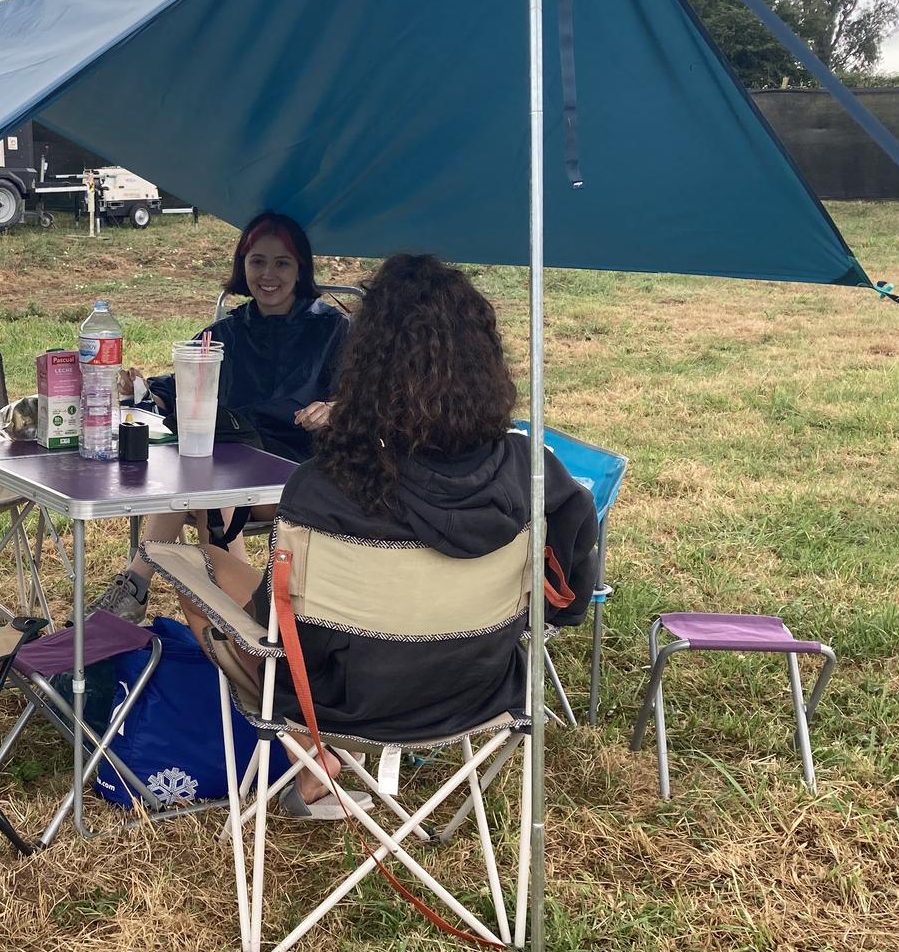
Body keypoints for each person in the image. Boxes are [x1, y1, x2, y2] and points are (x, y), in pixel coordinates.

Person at [173, 252, 600, 817]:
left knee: (195, 564)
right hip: (481, 690)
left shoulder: (325, 487)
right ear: (484, 364)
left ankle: (310, 759)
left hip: (340, 706)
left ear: (365, 366)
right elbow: (566, 604)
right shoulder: (533, 469)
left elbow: (282, 631)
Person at [94, 211, 350, 621]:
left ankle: (151, 592)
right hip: (227, 467)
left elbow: (371, 402)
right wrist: (145, 392)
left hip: (299, 474)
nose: (268, 274)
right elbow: (180, 385)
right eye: (257, 261)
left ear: (301, 269)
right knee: (201, 477)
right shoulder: (228, 332)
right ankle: (231, 611)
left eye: (282, 262)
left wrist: (336, 410)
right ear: (242, 266)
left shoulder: (333, 331)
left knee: (204, 486)